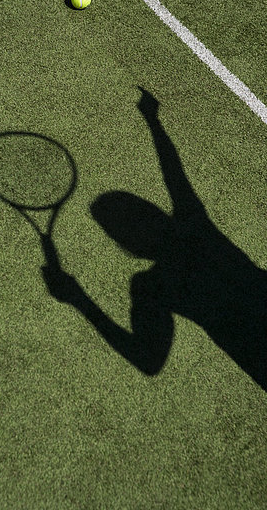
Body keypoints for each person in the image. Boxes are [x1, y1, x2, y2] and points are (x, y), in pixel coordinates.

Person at [42, 87, 267, 391]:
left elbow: (173, 174)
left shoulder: (159, 275)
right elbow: (148, 360)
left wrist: (80, 300)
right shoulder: (187, 234)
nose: (145, 216)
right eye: (133, 219)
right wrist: (79, 299)